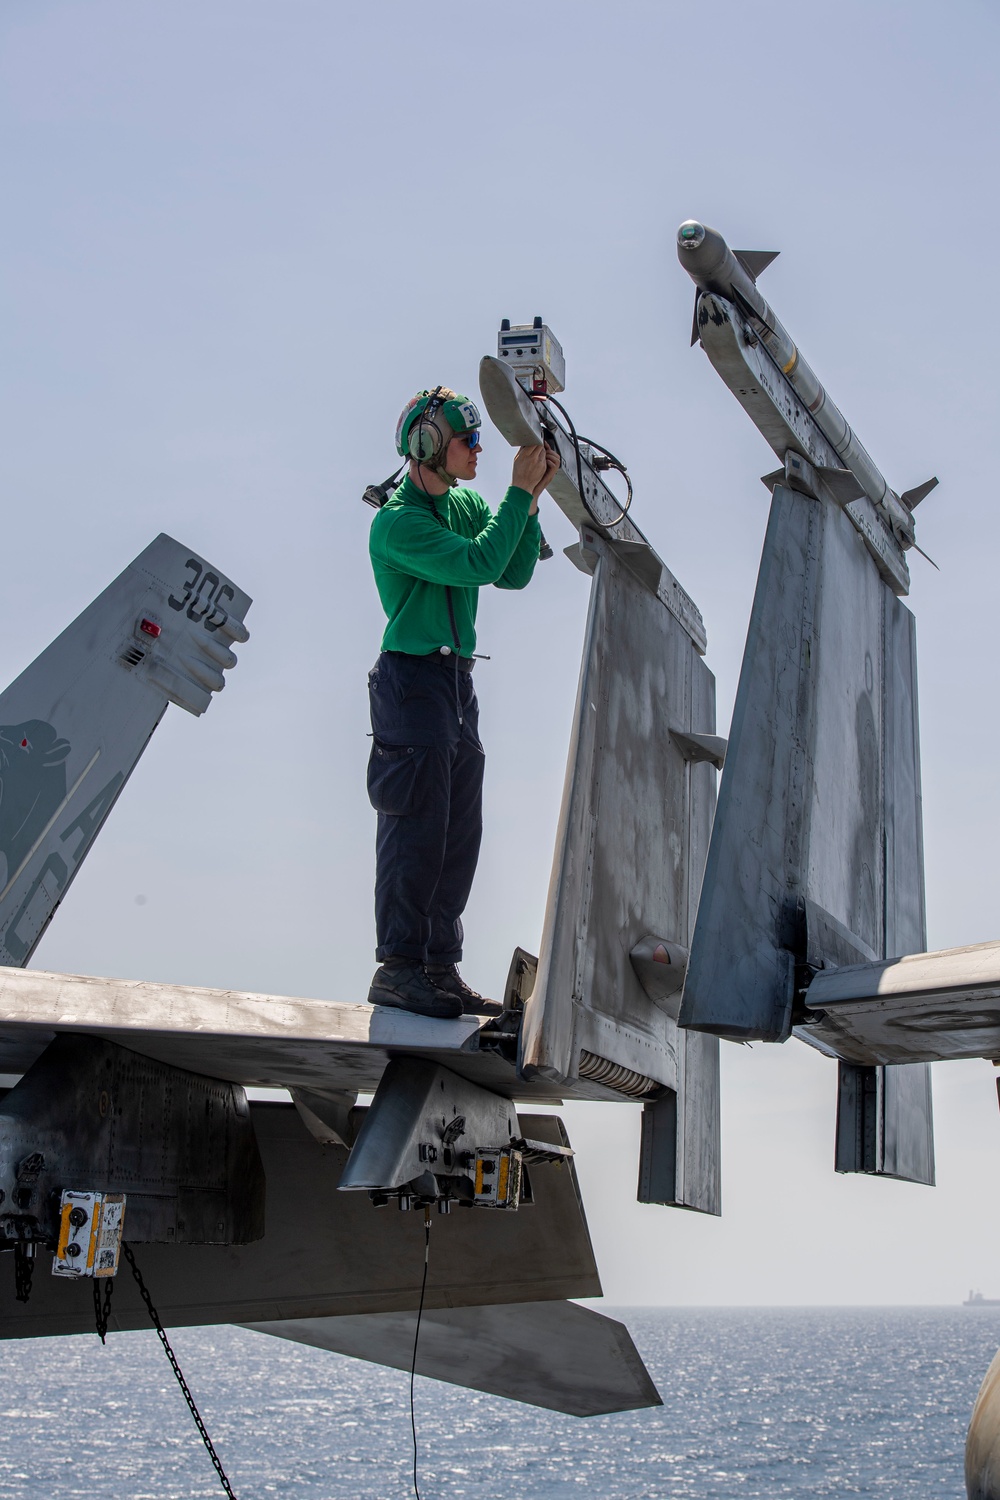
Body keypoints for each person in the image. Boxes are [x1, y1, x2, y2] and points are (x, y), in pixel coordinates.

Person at [366, 386, 559, 1019]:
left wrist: (526, 507)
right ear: (426, 446)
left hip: (453, 684)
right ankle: (398, 969)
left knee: (457, 832)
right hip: (411, 681)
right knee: (416, 825)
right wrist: (517, 494)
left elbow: (513, 572)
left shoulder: (464, 503)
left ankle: (438, 968)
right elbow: (479, 562)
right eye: (465, 440)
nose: (478, 449)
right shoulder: (397, 523)